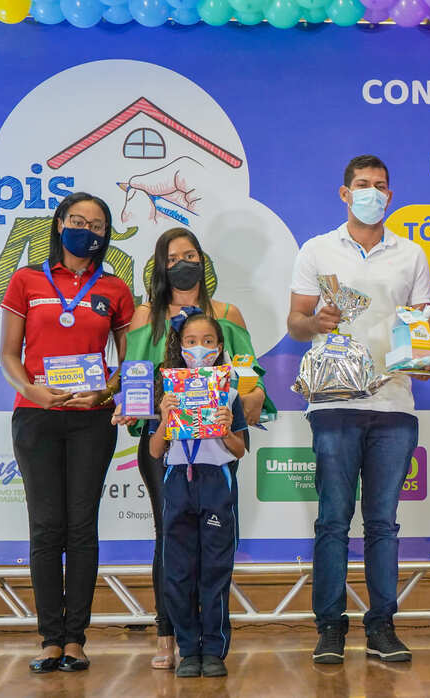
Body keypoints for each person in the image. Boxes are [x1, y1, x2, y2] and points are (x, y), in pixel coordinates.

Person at [287, 155, 430, 664]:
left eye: (382, 186)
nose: (373, 192)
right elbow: (295, 323)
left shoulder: (410, 254)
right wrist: (317, 322)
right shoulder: (316, 249)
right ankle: (330, 626)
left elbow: (419, 327)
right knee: (332, 520)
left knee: (384, 524)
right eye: (364, 185)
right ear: (344, 193)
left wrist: (422, 354)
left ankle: (382, 626)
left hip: (395, 404)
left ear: (390, 195)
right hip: (333, 403)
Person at [115, 227, 274, 670]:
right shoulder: (147, 317)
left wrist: (241, 406)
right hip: (167, 447)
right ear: (160, 267)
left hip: (217, 449)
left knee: (213, 547)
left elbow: (252, 381)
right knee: (170, 542)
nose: (182, 263)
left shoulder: (228, 314)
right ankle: (170, 637)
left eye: (190, 254)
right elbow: (135, 378)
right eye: (172, 257)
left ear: (203, 261)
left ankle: (211, 643)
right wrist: (134, 408)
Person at [0, 192, 134, 673]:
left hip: (91, 417)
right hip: (35, 414)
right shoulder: (26, 280)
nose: (88, 230)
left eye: (97, 225)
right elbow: (9, 356)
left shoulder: (116, 290)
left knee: (81, 526)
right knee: (45, 526)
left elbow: (130, 359)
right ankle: (48, 639)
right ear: (59, 225)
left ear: (106, 234)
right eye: (78, 221)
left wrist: (105, 395)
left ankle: (75, 639)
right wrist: (33, 391)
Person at [148, 310, 250, 679]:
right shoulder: (168, 390)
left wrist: (225, 429)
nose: (199, 349)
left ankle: (214, 649)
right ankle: (188, 649)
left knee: (215, 569)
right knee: (177, 571)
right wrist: (164, 418)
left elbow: (239, 449)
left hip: (216, 481)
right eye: (191, 342)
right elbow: (156, 451)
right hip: (178, 481)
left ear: (219, 347)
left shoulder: (231, 390)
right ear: (180, 347)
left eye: (208, 342)